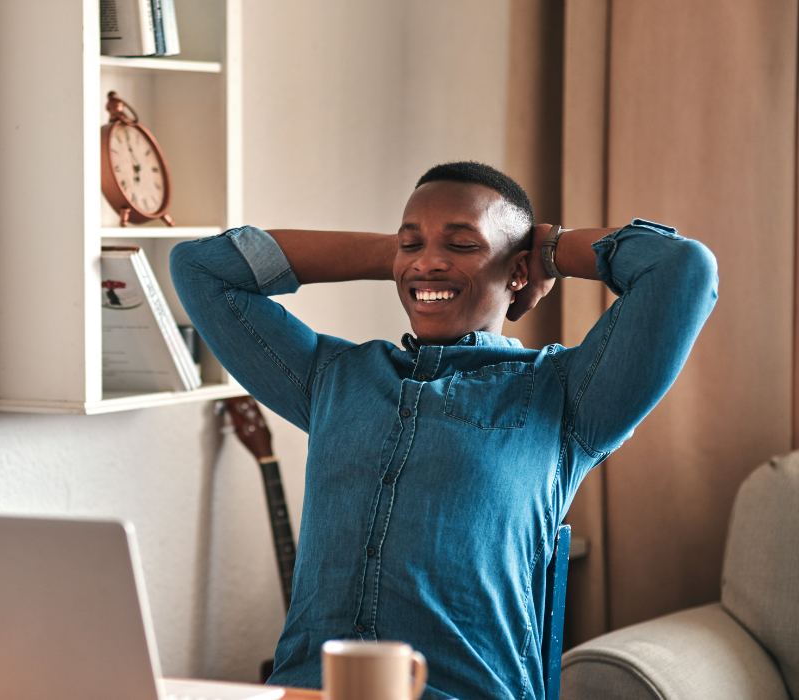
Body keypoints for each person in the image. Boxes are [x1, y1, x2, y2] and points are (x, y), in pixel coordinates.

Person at [169, 161, 718, 700]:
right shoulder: (332, 377)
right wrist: (403, 258)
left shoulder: (567, 395)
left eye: (461, 244)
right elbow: (200, 266)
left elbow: (682, 268)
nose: (428, 261)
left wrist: (550, 250)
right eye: (411, 243)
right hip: (308, 692)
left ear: (518, 271)